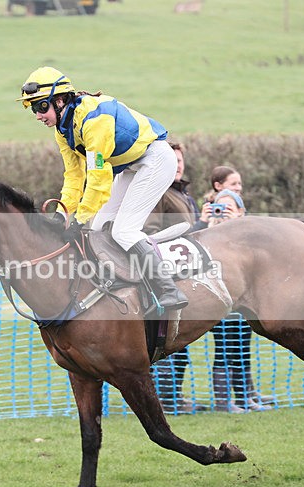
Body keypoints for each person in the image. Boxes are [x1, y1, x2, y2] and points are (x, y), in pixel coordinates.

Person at [17, 66, 188, 314]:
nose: (38, 115)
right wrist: (63, 213)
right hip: (131, 167)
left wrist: (81, 216)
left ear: (61, 100)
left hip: (156, 160)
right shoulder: (63, 131)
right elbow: (74, 176)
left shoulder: (94, 119)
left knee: (123, 230)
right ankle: (118, 287)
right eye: (34, 109)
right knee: (94, 230)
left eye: (41, 107)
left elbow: (98, 176)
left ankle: (167, 289)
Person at [205, 167, 276, 412]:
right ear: (217, 188)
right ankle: (225, 402)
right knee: (226, 347)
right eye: (233, 184)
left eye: (239, 184)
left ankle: (246, 397)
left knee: (242, 346)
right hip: (223, 294)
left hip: (244, 296)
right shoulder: (211, 227)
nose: (238, 188)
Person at [144, 143, 208, 414]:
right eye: (173, 160)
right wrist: (200, 227)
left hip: (188, 270)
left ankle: (174, 398)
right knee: (167, 342)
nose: (178, 164)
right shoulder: (159, 192)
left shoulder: (182, 193)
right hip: (168, 272)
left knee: (180, 344)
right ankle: (164, 401)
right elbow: (151, 232)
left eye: (180, 160)